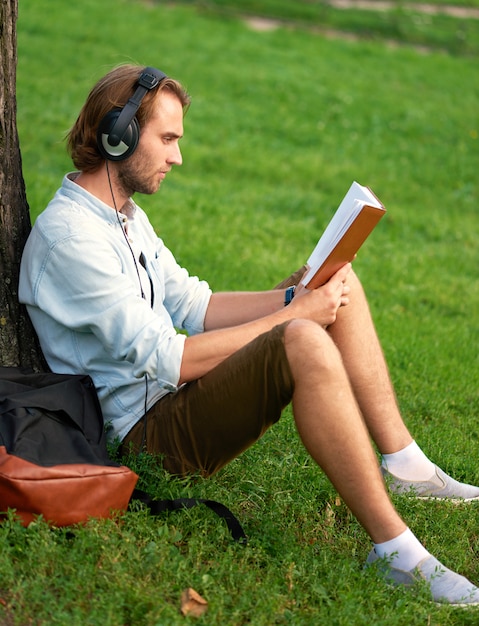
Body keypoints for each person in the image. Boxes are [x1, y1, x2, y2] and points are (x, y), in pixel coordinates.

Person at [19, 64, 479, 606]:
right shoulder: (71, 237)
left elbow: (195, 304)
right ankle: (398, 554)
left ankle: (408, 466)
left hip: (173, 401)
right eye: (167, 139)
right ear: (117, 134)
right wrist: (296, 317)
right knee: (302, 339)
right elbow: (171, 358)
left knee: (336, 283)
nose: (177, 157)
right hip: (140, 438)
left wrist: (291, 296)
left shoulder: (122, 215)